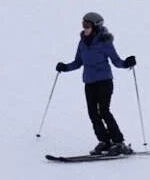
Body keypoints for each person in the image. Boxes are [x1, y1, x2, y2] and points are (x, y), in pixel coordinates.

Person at [55, 12, 136, 156]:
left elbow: (116, 61)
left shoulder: (105, 42)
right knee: (93, 113)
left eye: (87, 25)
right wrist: (65, 67)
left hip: (104, 81)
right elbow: (78, 62)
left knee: (104, 111)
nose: (84, 28)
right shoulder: (82, 42)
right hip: (89, 82)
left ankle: (119, 142)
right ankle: (105, 141)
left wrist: (126, 63)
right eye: (83, 25)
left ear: (96, 27)